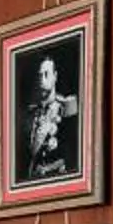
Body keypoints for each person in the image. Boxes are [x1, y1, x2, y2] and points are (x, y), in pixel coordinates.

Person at [18, 53, 78, 182]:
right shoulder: (30, 113)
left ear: (55, 77)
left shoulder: (67, 108)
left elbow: (74, 155)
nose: (42, 79)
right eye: (40, 75)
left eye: (46, 74)